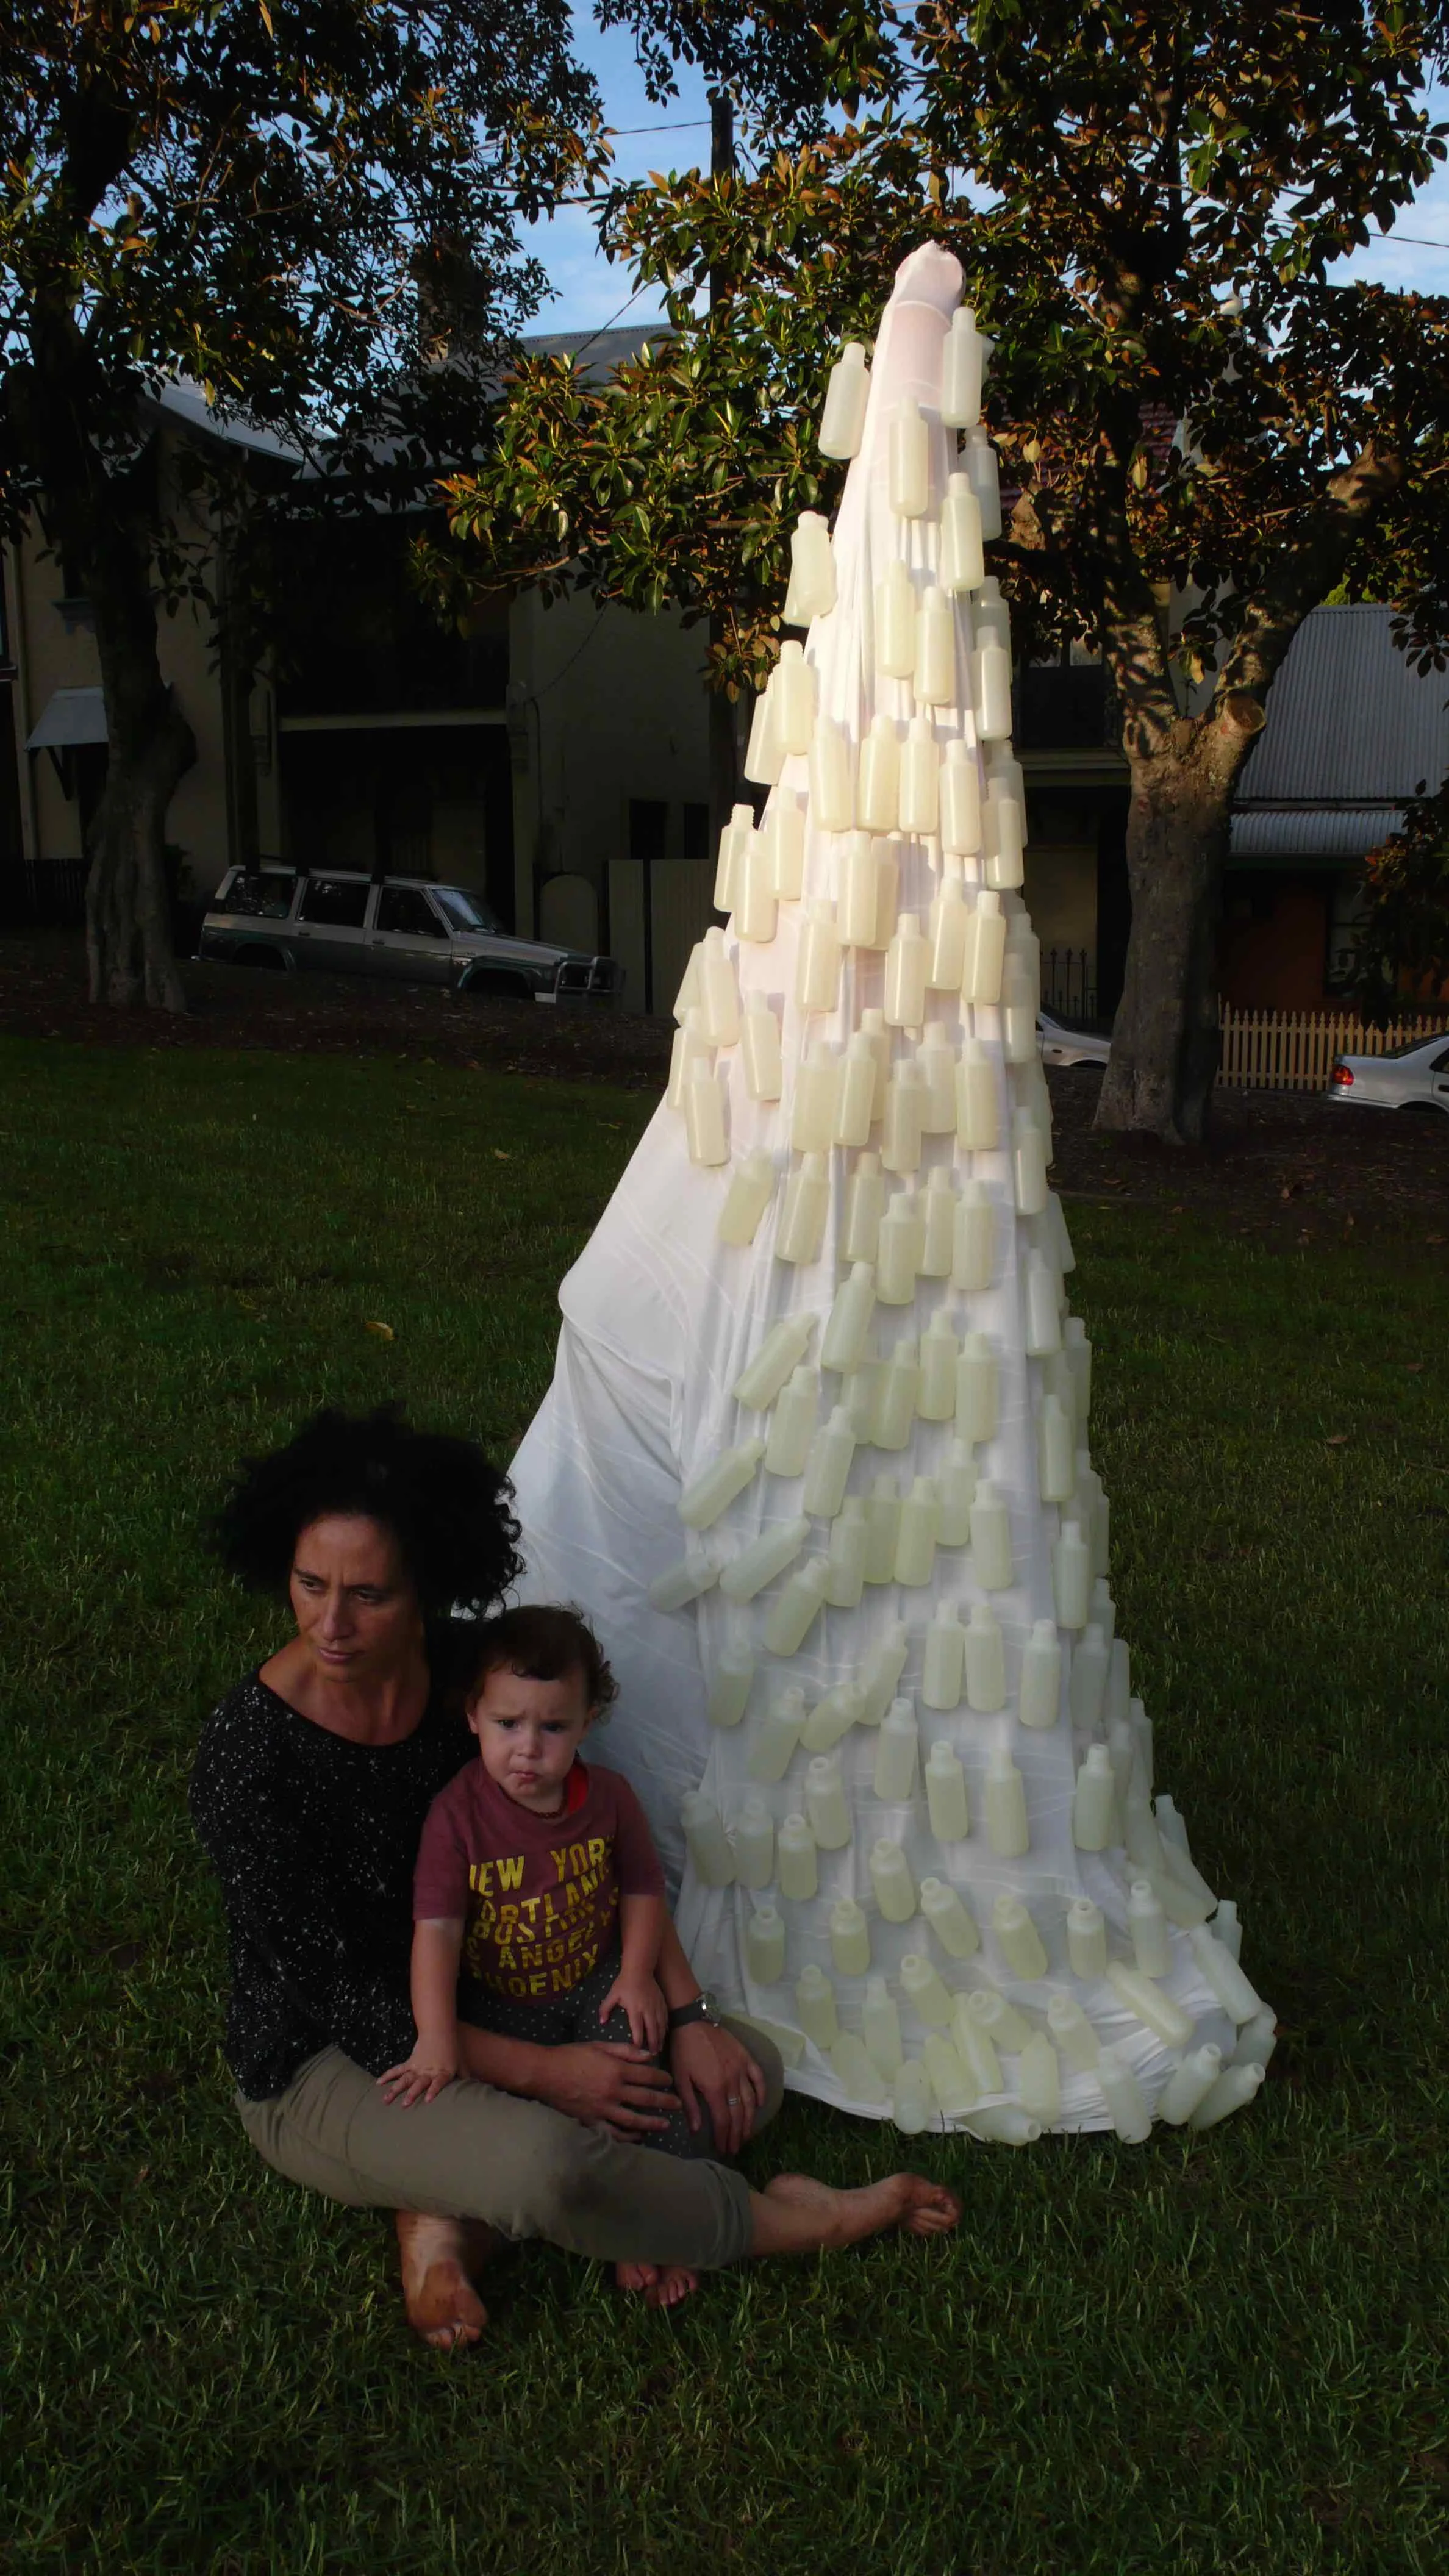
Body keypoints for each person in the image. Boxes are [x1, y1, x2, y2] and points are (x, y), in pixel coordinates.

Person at [192, 1408, 961, 2350]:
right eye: (310, 1586)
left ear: (426, 1585)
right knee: (550, 2168)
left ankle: (443, 2220)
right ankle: (804, 2220)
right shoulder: (250, 1752)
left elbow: (599, 1852)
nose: (333, 1625)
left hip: (509, 2000)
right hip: (332, 2059)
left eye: (370, 1594)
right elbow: (341, 1995)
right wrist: (555, 2077)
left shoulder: (476, 1686)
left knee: (744, 2074)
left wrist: (688, 2021)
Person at [385, 1608, 714, 2161]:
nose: (529, 1748)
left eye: (553, 1727)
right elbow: (437, 1932)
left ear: (587, 1722)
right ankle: (599, 2175)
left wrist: (636, 1976)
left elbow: (642, 1889)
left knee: (638, 2089)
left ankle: (656, 2177)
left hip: (598, 1984)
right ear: (473, 1716)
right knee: (512, 2129)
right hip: (501, 2005)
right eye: (508, 1723)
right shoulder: (456, 1818)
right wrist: (436, 2036)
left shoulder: (610, 1799)